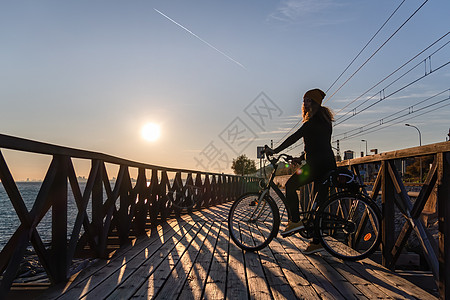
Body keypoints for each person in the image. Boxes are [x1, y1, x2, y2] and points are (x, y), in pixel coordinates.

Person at [265, 88, 336, 254]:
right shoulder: (323, 121)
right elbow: (318, 144)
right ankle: (316, 242)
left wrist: (275, 151)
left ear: (315, 103)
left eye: (308, 100)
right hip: (326, 164)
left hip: (316, 166)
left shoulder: (312, 122)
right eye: (304, 100)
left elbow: (294, 137)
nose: (304, 103)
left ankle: (295, 220)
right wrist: (301, 157)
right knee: (318, 205)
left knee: (290, 186)